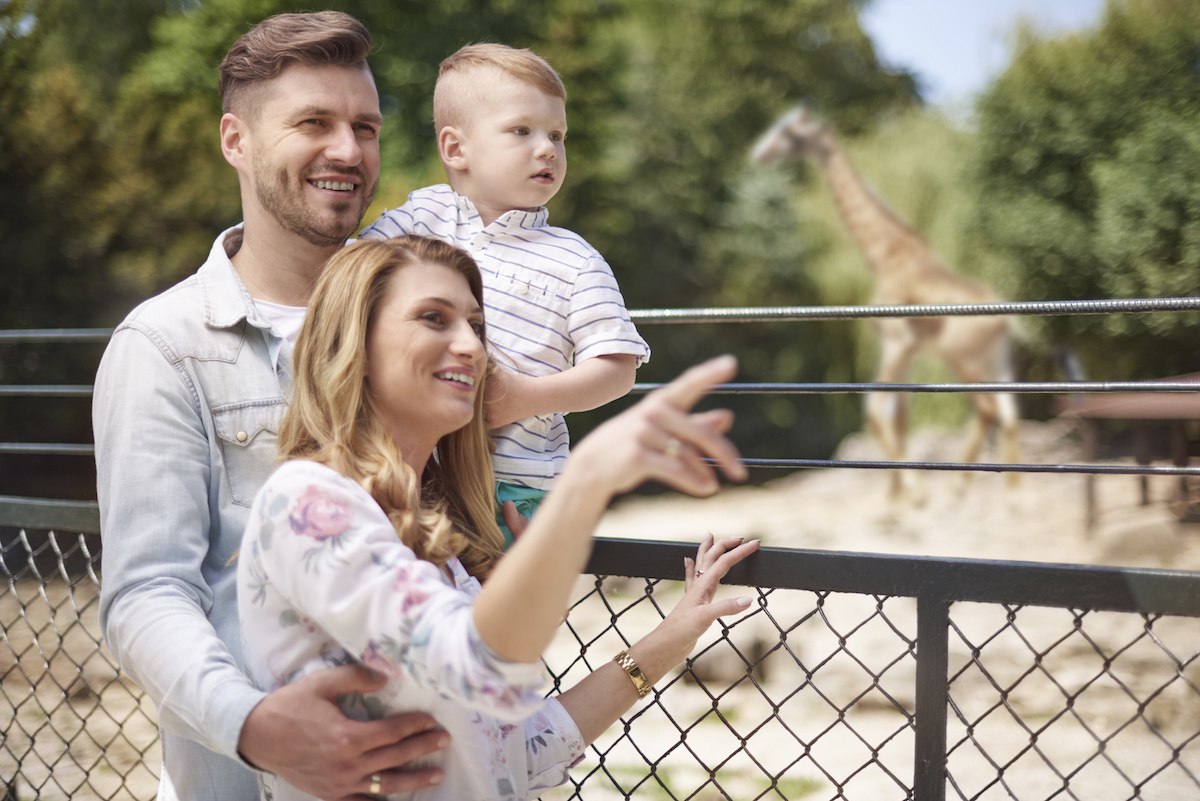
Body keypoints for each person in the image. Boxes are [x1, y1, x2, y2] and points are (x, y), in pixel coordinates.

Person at [236, 234, 759, 801]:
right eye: (433, 318)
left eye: (477, 325)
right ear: (353, 345)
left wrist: (673, 636)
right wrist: (584, 483)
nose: (472, 346)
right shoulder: (309, 502)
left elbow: (515, 751)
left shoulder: (439, 544)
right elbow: (474, 666)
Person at [93, 12, 449, 800]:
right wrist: (253, 725)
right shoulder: (165, 344)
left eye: (365, 126)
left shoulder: (430, 328)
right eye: (313, 123)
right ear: (237, 140)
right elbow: (146, 592)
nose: (348, 150)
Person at [359, 44, 650, 545]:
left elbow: (618, 369)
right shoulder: (420, 218)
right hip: (408, 467)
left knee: (497, 594)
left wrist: (524, 398)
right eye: (522, 131)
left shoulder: (574, 259)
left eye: (557, 135)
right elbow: (347, 279)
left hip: (511, 487)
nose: (548, 149)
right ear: (456, 149)